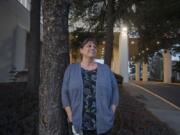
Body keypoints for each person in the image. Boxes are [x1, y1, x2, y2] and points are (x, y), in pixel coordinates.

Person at [61, 38, 119, 135]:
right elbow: (64, 93)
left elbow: (115, 90)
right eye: (89, 45)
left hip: (103, 124)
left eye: (95, 47)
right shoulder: (71, 70)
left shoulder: (105, 70)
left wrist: (112, 110)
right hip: (78, 123)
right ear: (81, 50)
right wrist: (70, 115)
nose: (93, 48)